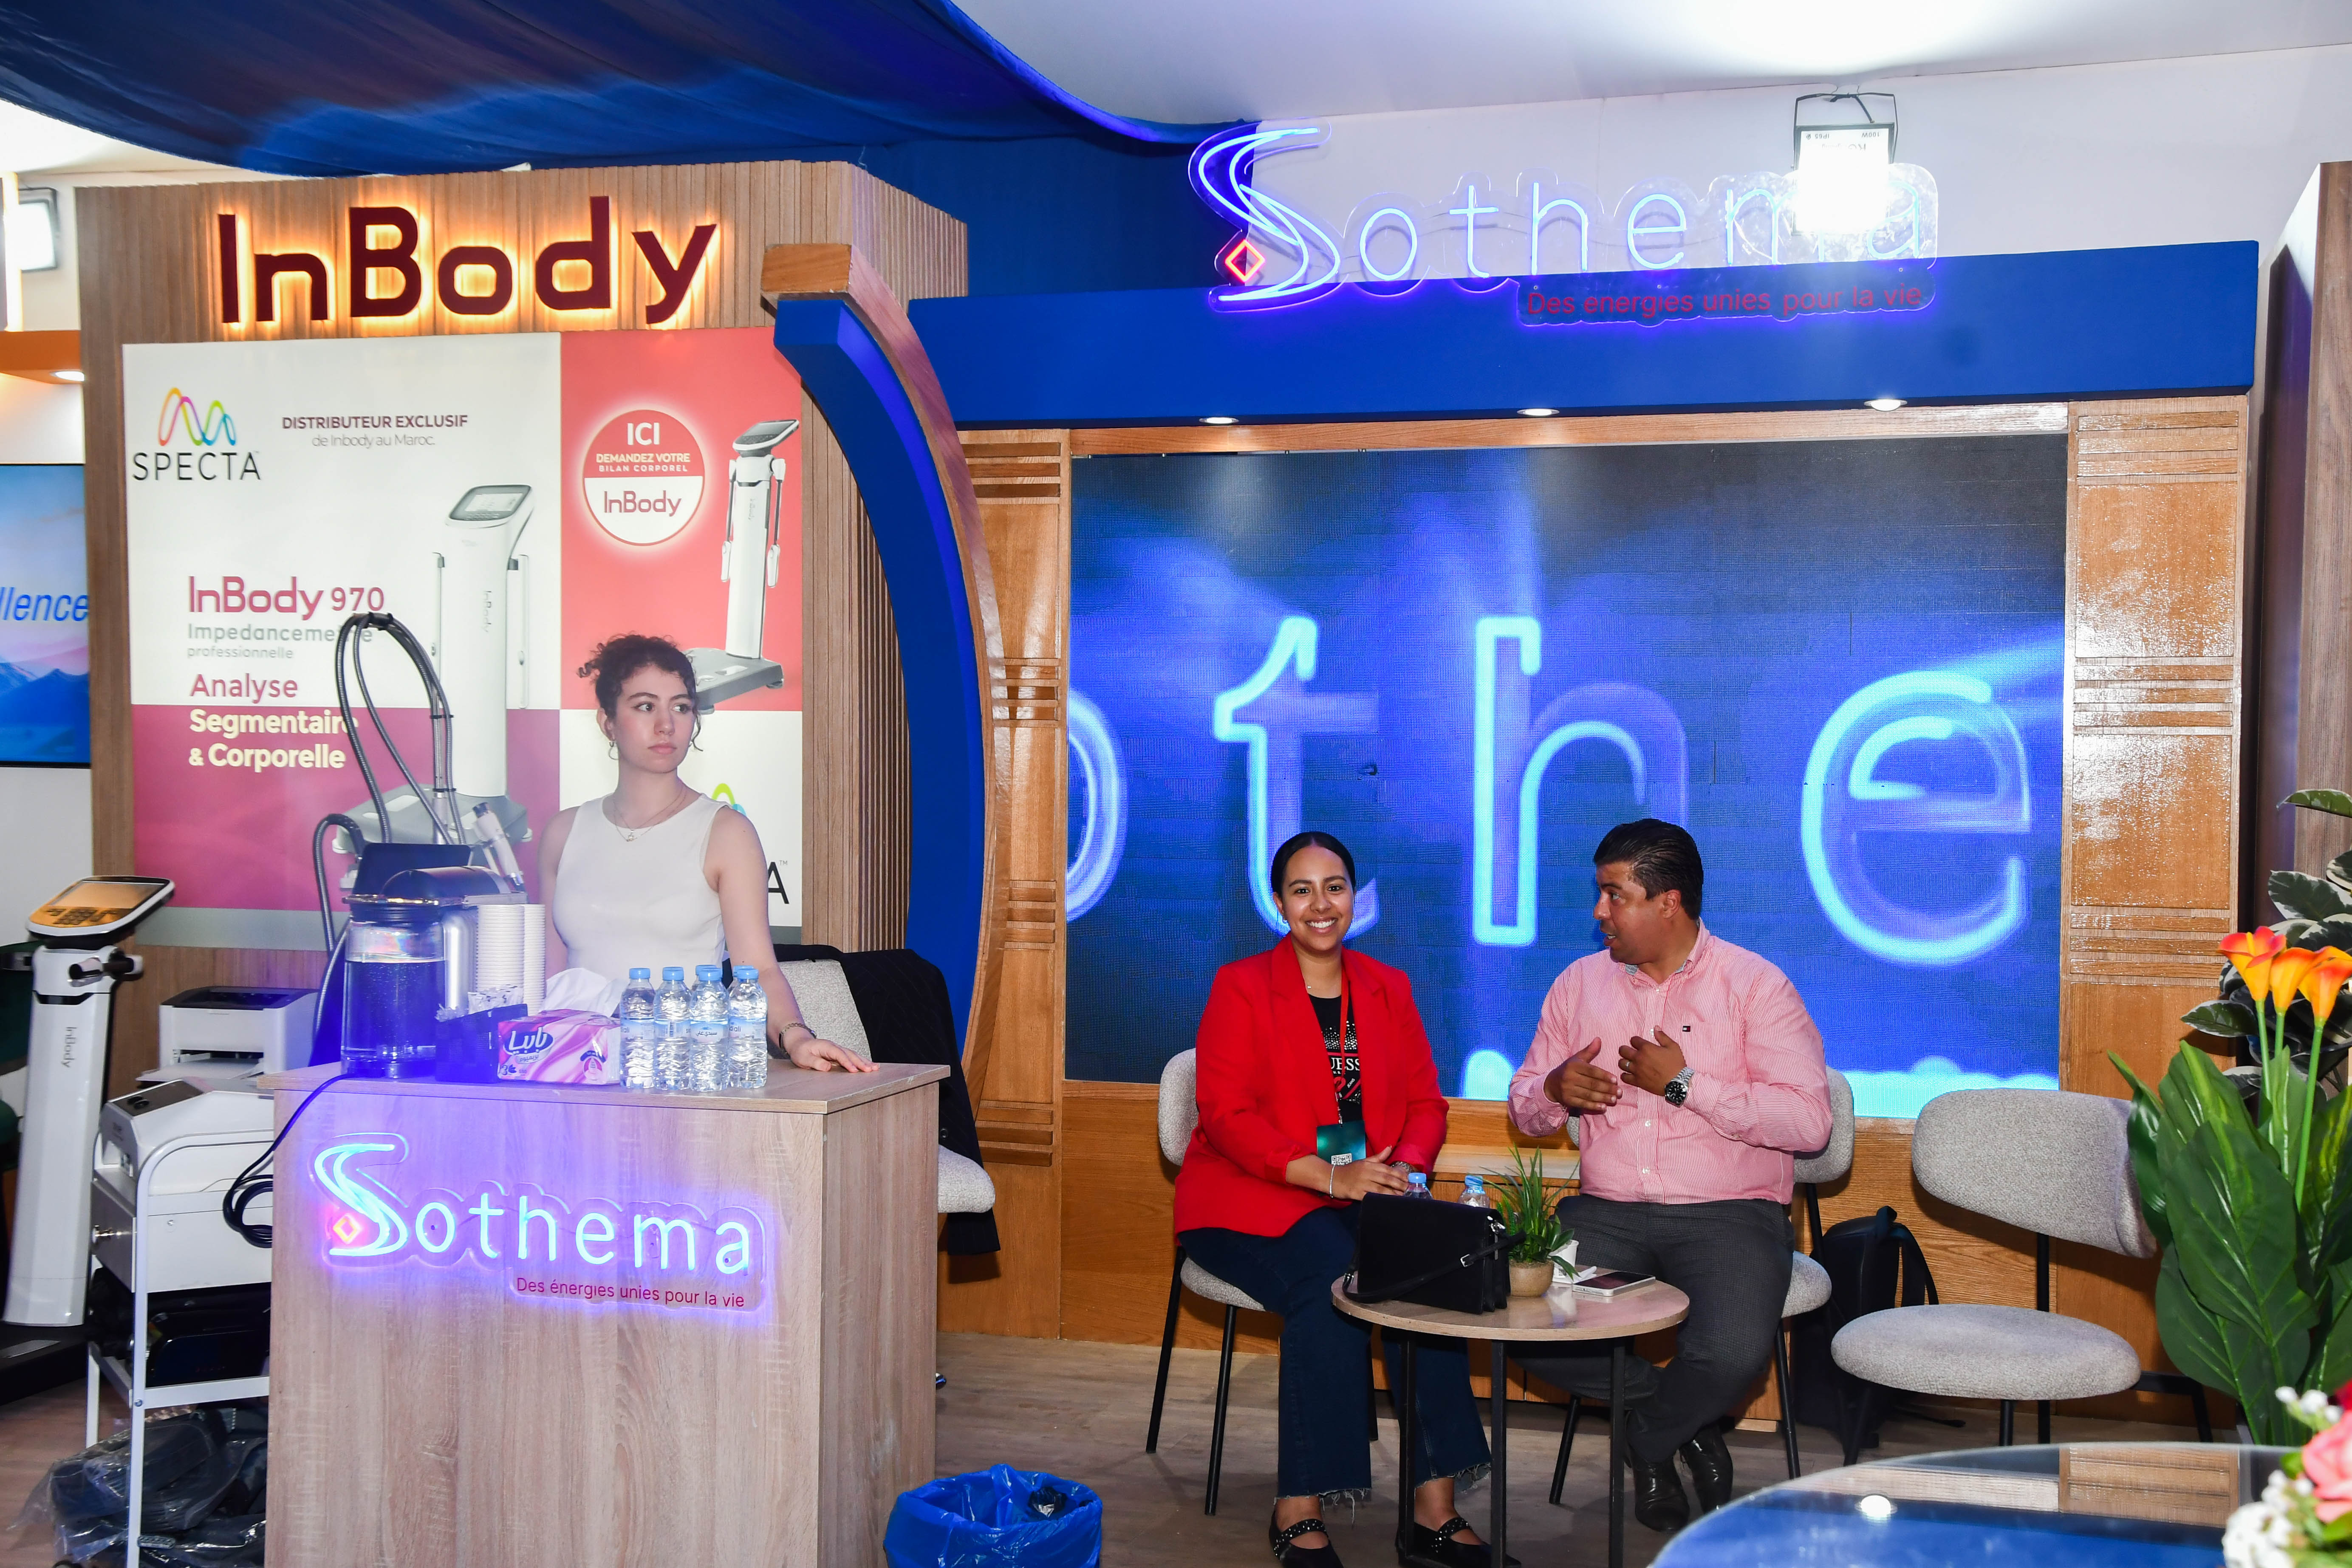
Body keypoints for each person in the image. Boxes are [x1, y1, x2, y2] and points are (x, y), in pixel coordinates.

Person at [1176, 832, 1513, 1568]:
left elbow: (1426, 1103)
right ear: (1279, 903)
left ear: (1354, 897)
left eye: (1334, 887)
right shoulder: (1241, 985)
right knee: (1333, 1277)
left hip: (1364, 1192)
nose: (1320, 904)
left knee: (1428, 1273)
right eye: (1301, 889)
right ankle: (1298, 1504)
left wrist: (1406, 1170)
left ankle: (1433, 1510)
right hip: (1249, 1194)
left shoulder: (1388, 985)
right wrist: (1330, 1178)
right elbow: (1226, 1116)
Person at [1507, 819, 1830, 1532]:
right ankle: (1685, 1425)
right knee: (1521, 1326)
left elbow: (1810, 1123)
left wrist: (1685, 1086)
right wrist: (1554, 1088)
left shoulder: (1755, 986)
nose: (1599, 911)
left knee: (1732, 1354)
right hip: (1606, 1211)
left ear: (1668, 902)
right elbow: (1524, 1106)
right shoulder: (1579, 984)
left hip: (1729, 1212)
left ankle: (1649, 1440)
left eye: (1613, 894)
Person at [540, 633, 868, 1072]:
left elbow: (759, 969)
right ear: (607, 721)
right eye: (645, 706)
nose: (666, 725)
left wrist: (796, 1038)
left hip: (679, 1066)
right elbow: (549, 978)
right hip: (574, 1067)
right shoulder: (563, 832)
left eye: (681, 707)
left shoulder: (726, 832)